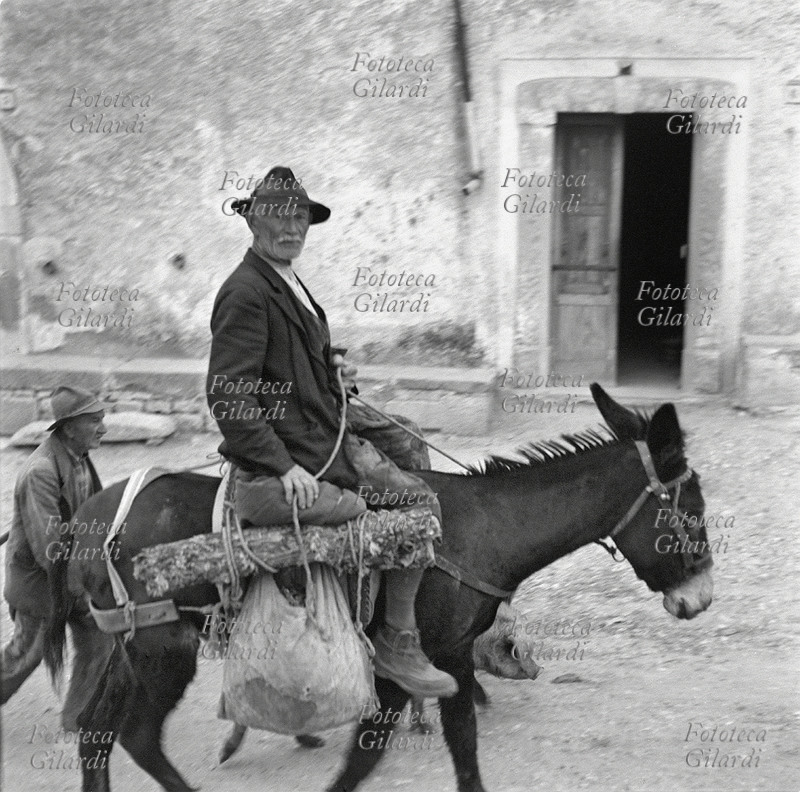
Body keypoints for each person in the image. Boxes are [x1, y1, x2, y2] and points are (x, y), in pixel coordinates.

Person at [207, 166, 457, 699]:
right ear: (253, 220)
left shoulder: (287, 279)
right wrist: (284, 467)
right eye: (279, 215)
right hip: (305, 447)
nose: (292, 227)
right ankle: (395, 641)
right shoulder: (246, 292)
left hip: (322, 415)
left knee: (409, 438)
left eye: (300, 216)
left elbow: (297, 354)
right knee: (419, 507)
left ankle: (409, 592)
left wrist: (332, 367)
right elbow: (229, 396)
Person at [1, 386, 106, 704]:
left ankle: (80, 717)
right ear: (69, 428)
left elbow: (92, 510)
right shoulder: (41, 473)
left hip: (74, 578)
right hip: (41, 586)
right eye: (94, 421)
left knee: (100, 640)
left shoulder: (78, 457)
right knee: (23, 658)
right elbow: (50, 549)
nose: (104, 427)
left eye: (102, 418)